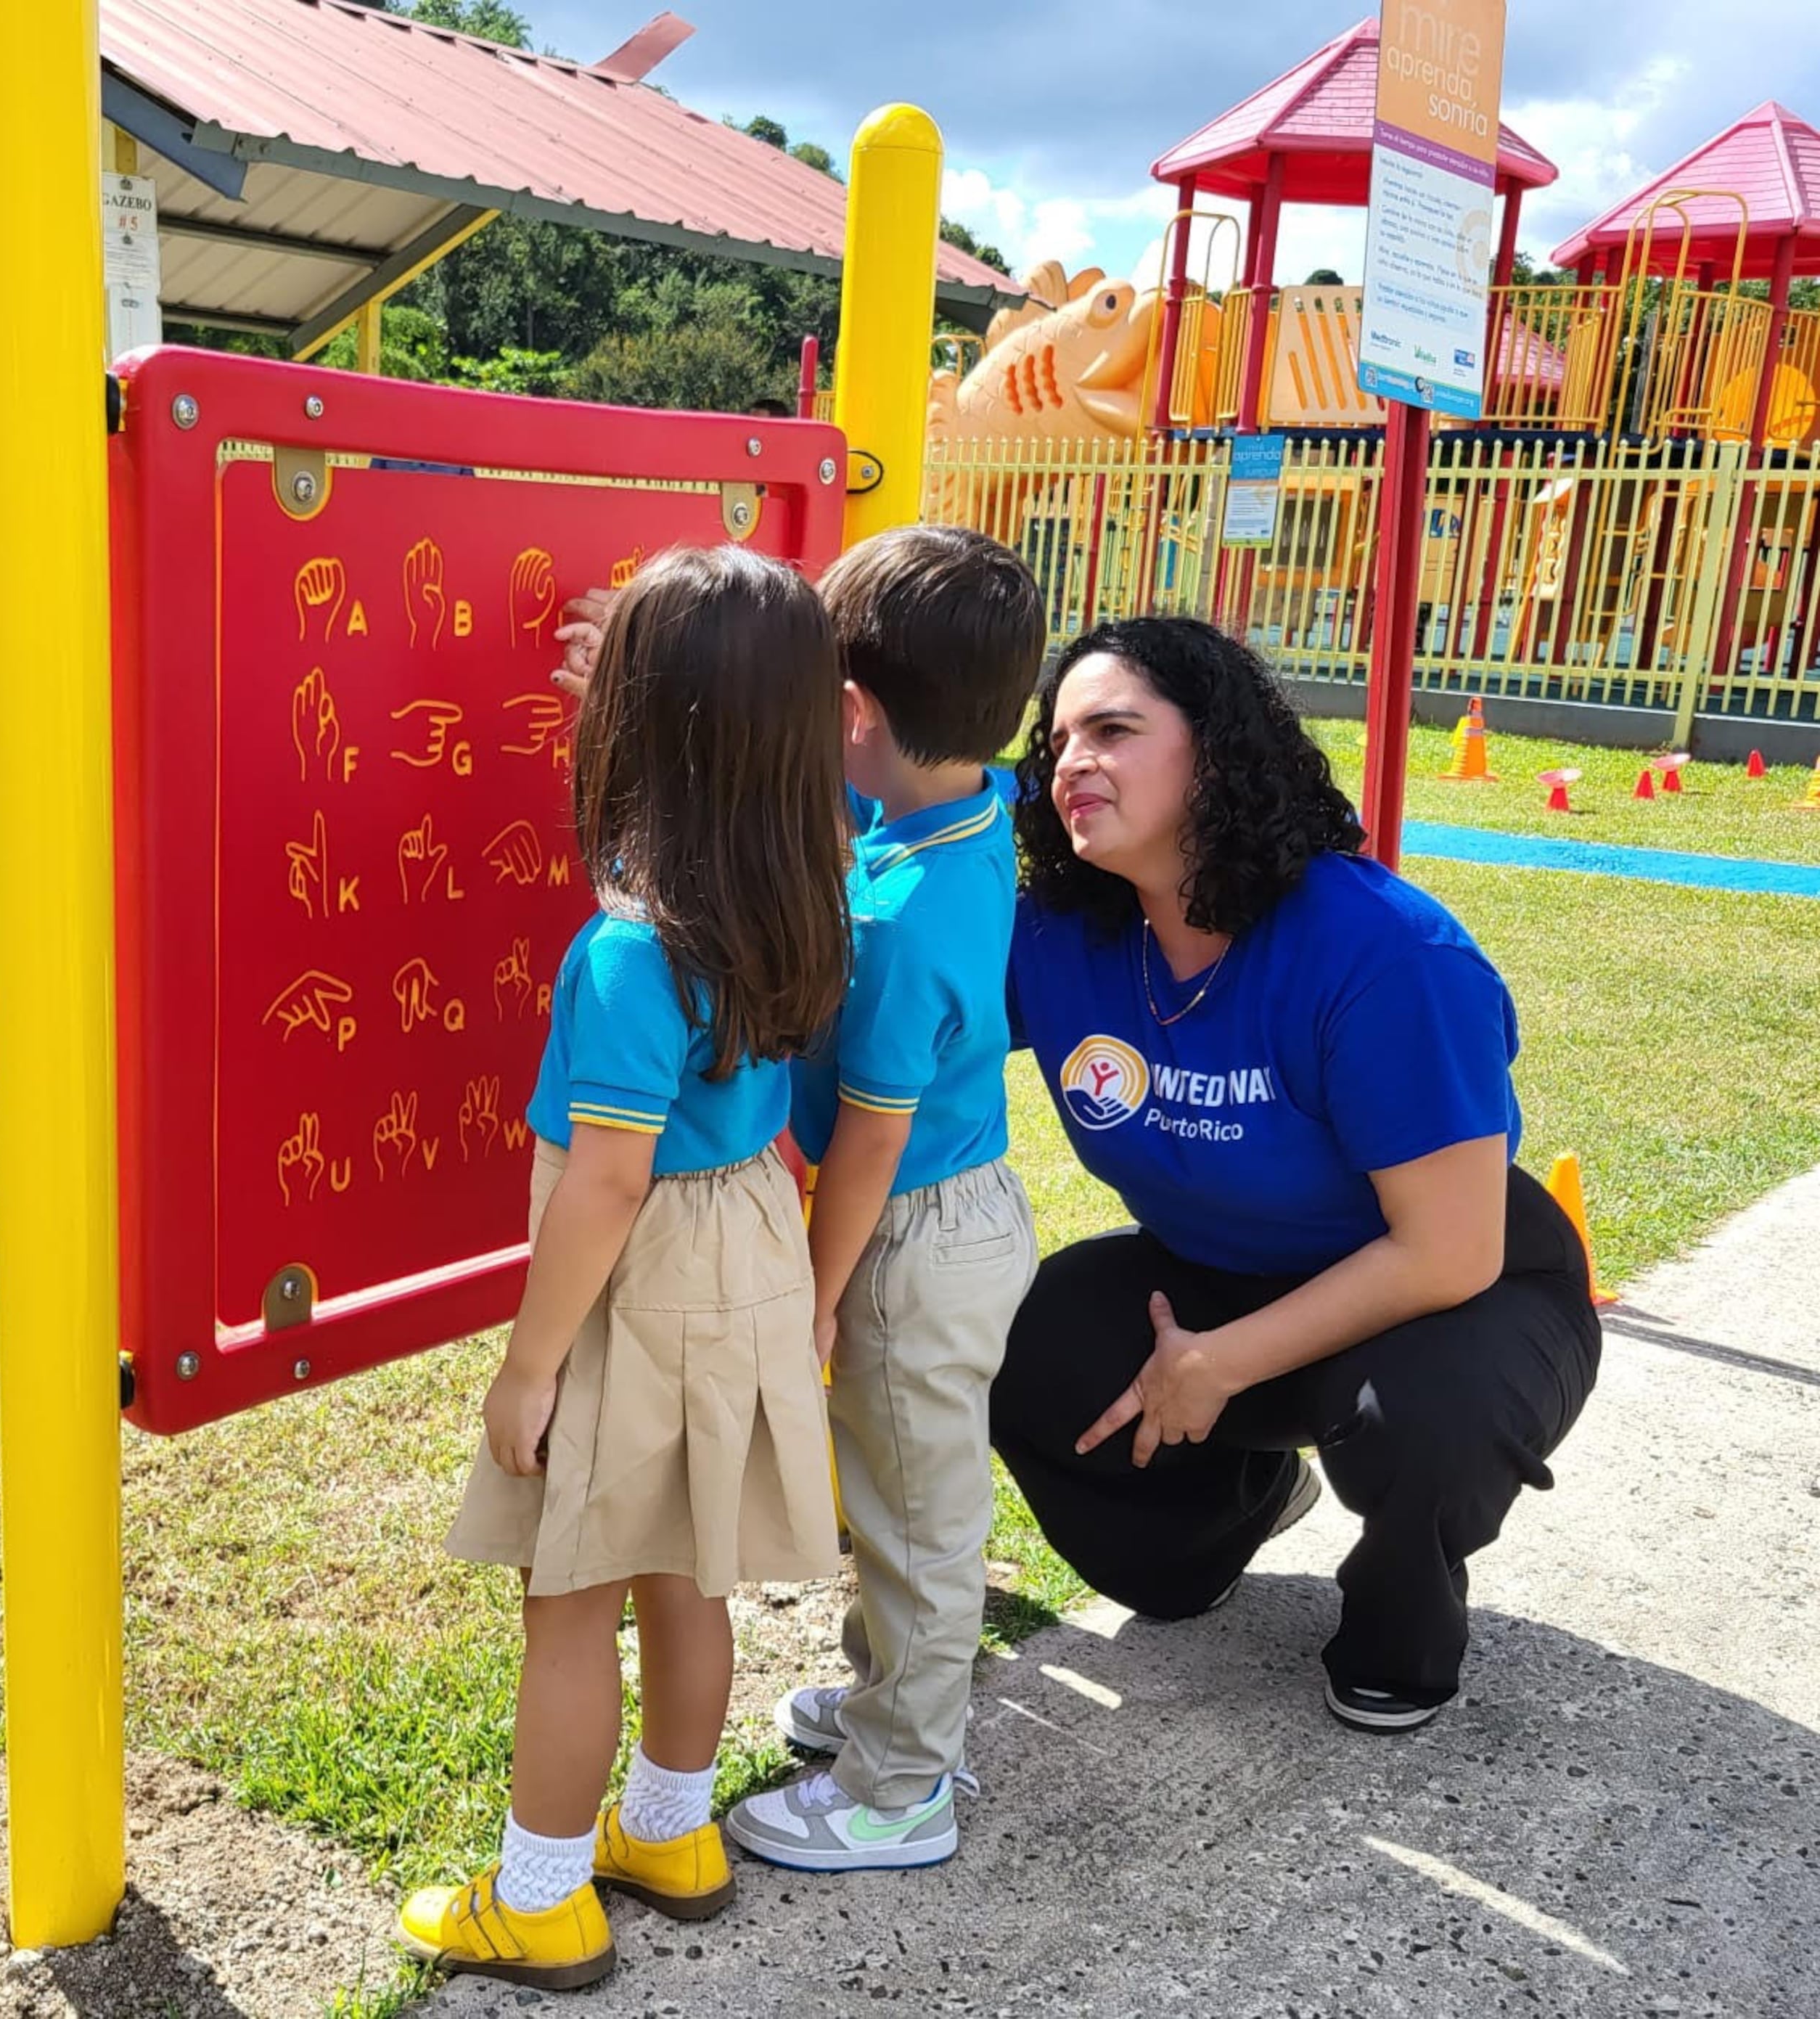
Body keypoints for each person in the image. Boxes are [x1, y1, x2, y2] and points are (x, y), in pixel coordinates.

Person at [994, 616, 1601, 1735]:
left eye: (1114, 728)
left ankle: (1401, 1619)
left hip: (1459, 1290)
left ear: (1216, 751)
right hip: (1222, 1269)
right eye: (1058, 738)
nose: (1071, 760)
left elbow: (1449, 1249)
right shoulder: (1063, 932)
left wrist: (1220, 1361)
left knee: (1413, 1415)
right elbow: (902, 825)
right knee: (1019, 1341)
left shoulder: (1384, 952)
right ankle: (1231, 1516)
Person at [397, 548, 853, 1991]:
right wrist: (654, 691)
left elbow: (602, 1176)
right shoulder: (809, 872)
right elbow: (711, 785)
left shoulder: (624, 954)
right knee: (685, 1563)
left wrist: (529, 1362)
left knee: (570, 1591)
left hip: (636, 1263)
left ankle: (536, 1895)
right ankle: (667, 1831)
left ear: (647, 733)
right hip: (749, 1241)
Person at [724, 525, 1048, 1873]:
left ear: (852, 713)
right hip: (958, 1217)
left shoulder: (903, 915)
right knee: (899, 1488)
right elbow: (822, 805)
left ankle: (903, 1784)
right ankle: (888, 1698)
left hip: (907, 1235)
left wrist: (814, 1292)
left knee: (919, 1519)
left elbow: (865, 1138)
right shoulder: (960, 812)